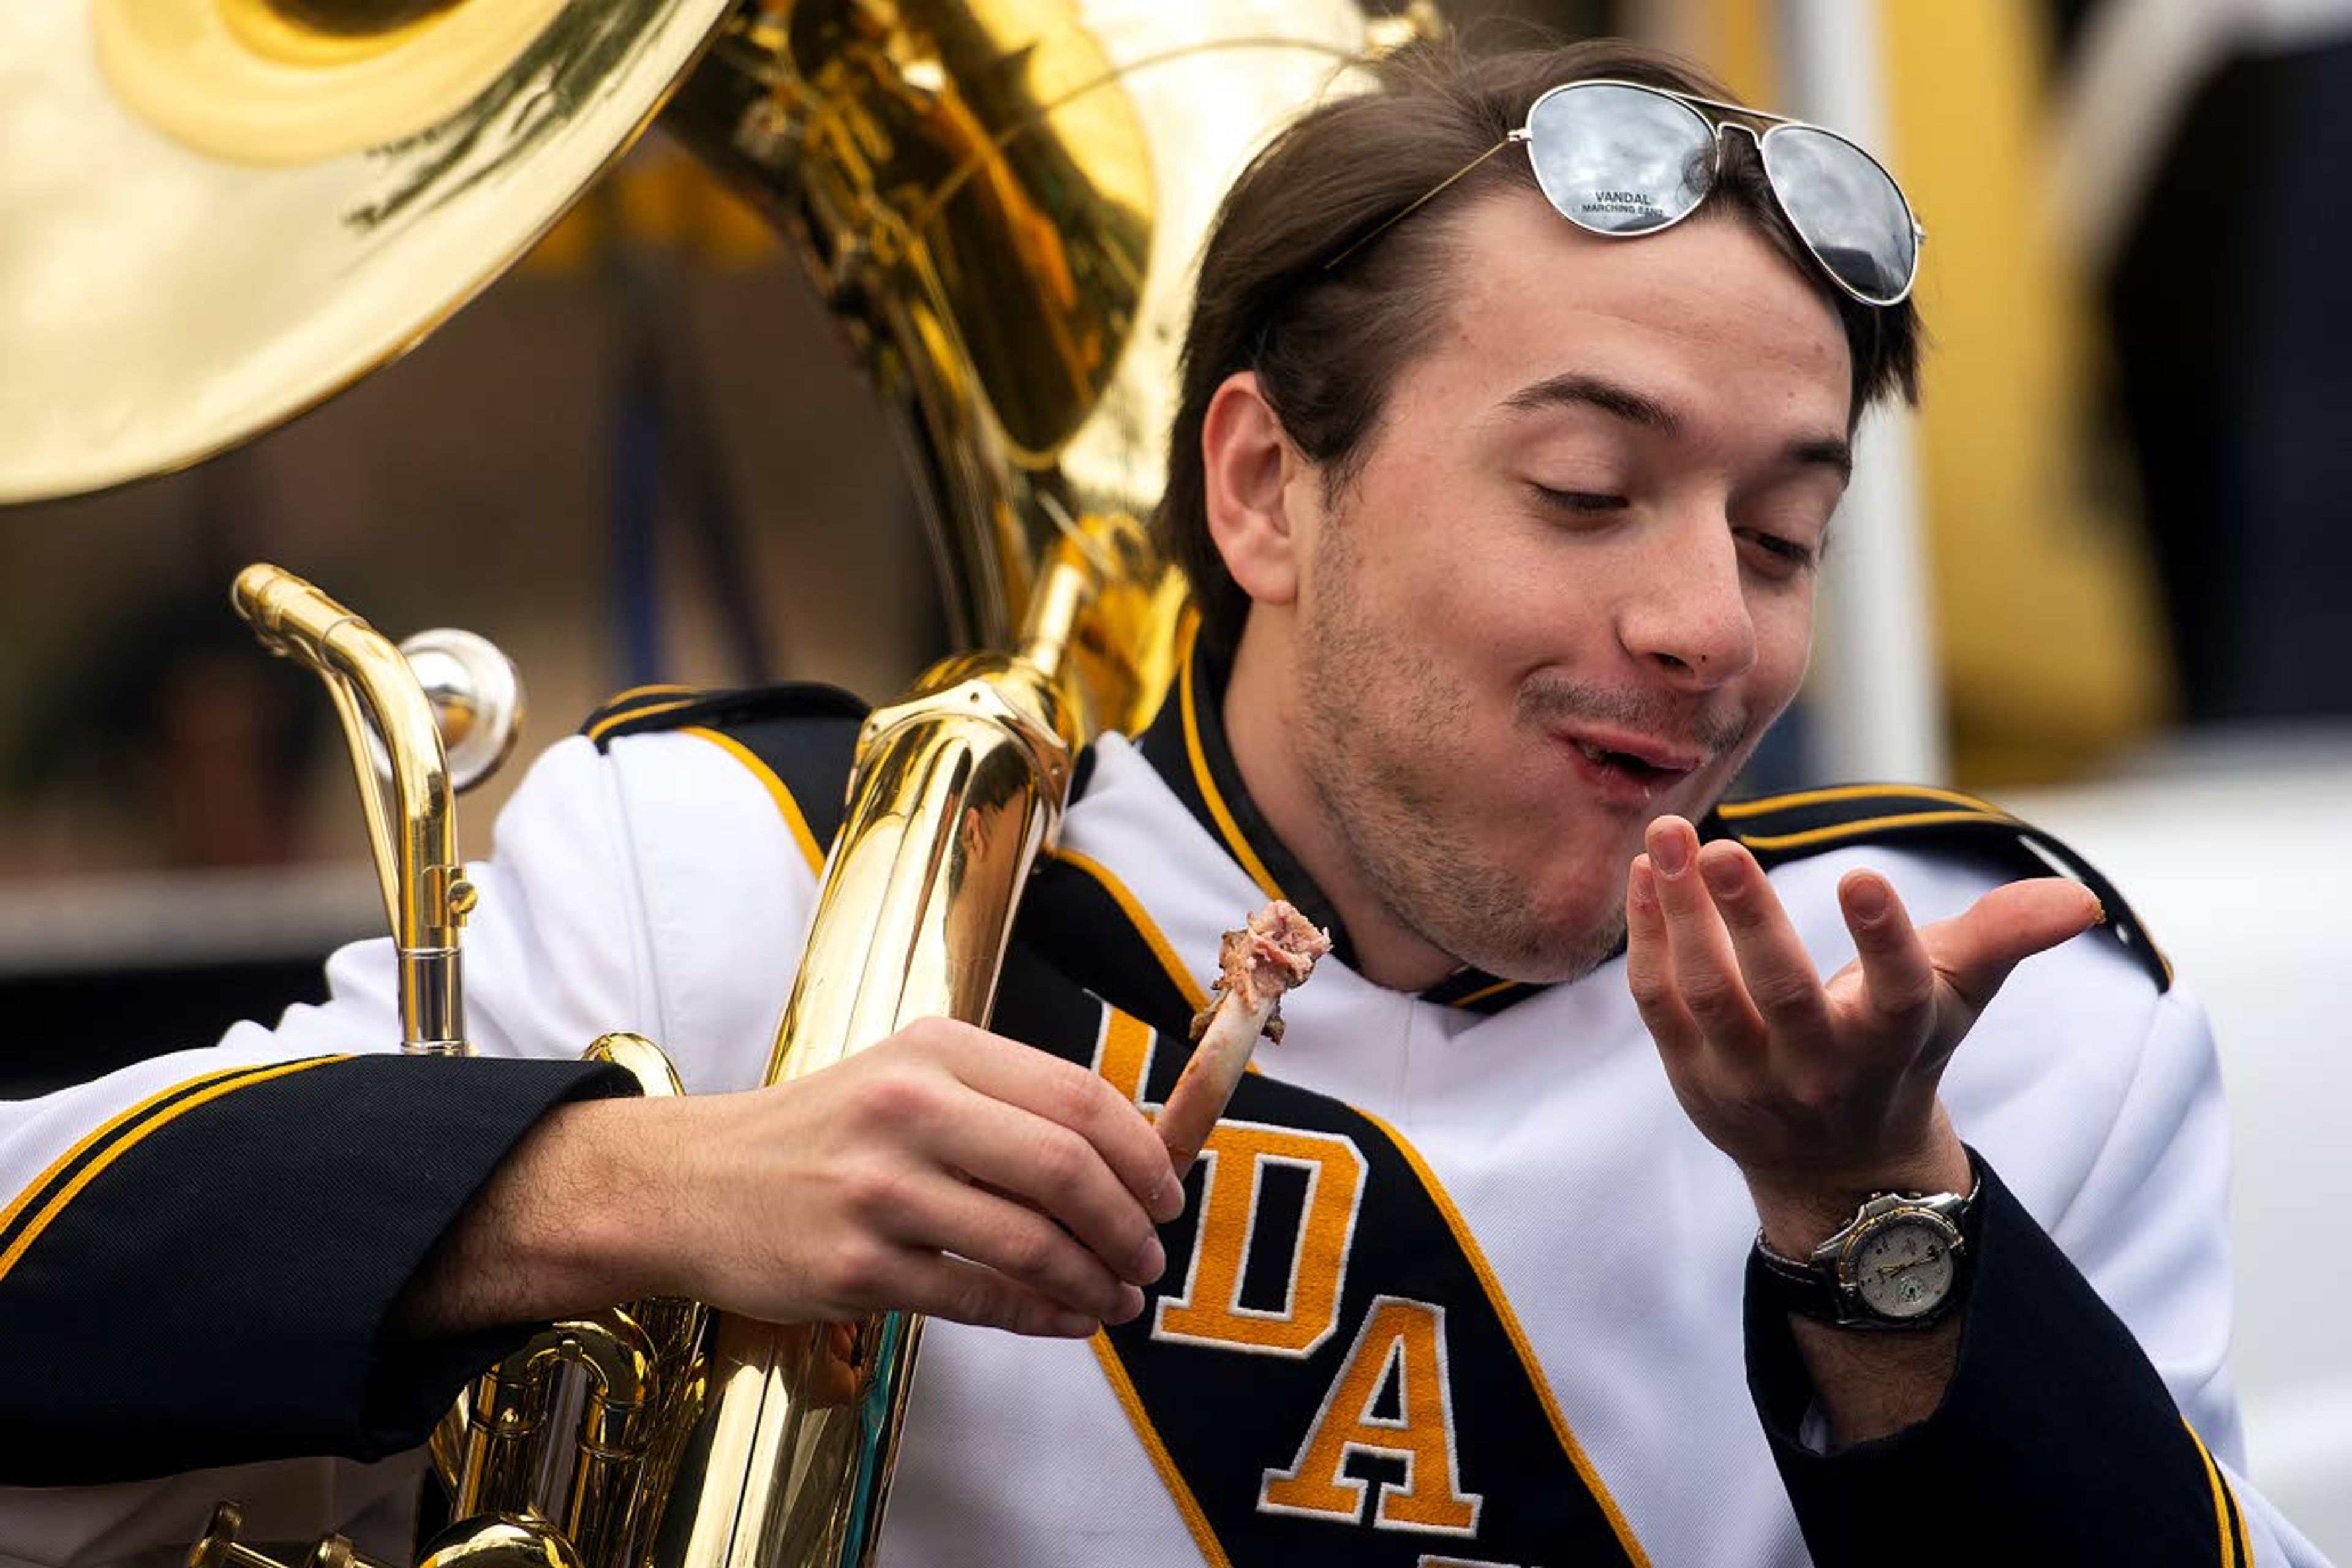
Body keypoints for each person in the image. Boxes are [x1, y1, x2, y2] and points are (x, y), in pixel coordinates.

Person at [0, 35, 2328, 1568]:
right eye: (1590, 487)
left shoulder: (1976, 1006)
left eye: (1785, 530)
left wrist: (1874, 1228)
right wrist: (625, 1183)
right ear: (1260, 485)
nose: (1714, 625)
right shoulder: (746, 862)